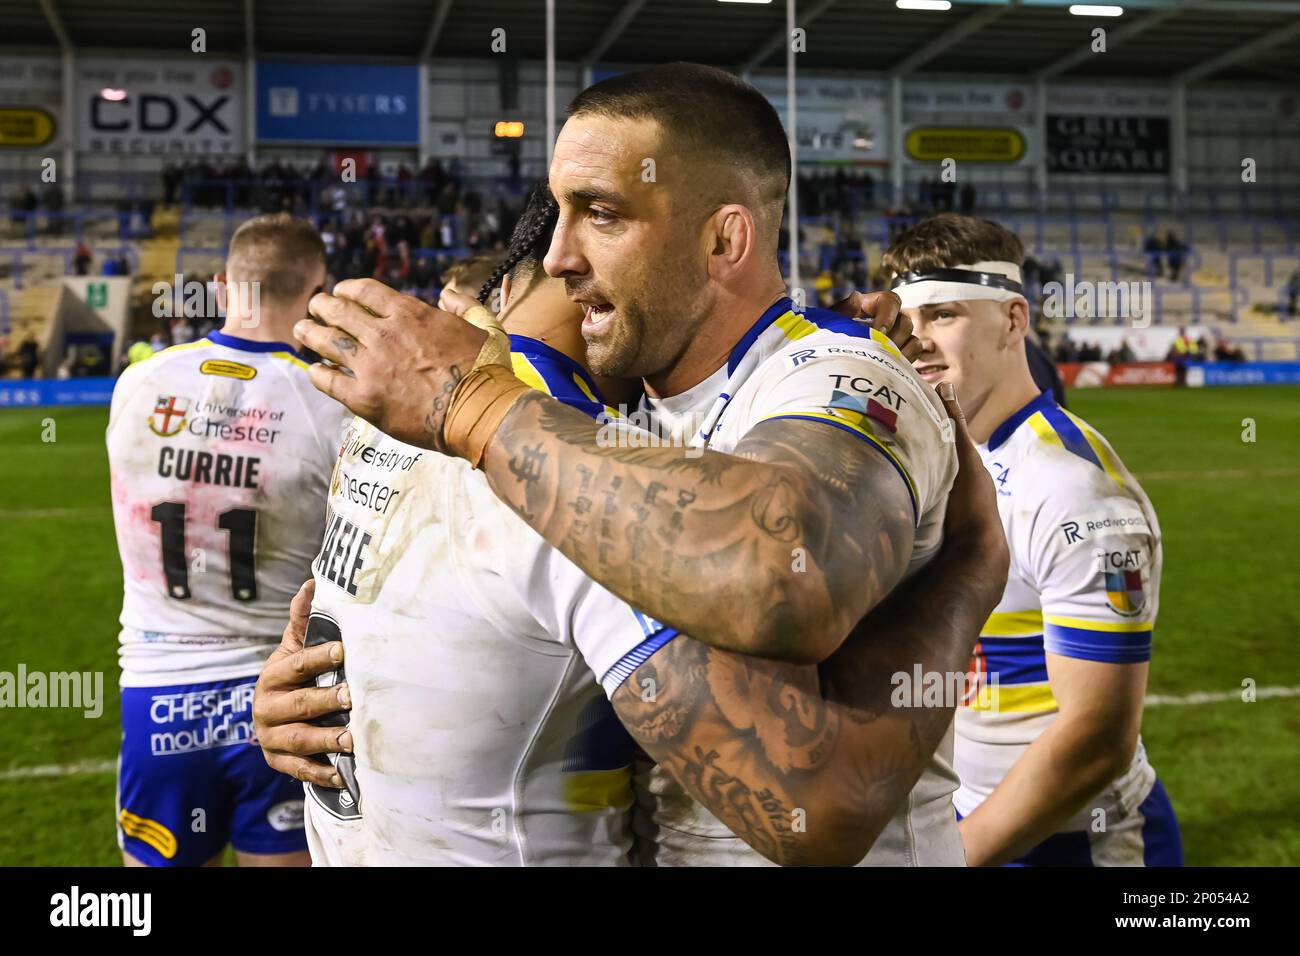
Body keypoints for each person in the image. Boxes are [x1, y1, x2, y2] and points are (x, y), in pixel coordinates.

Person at [288, 64, 991, 865]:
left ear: (725, 237)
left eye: (603, 215)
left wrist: (473, 407)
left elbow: (781, 575)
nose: (558, 258)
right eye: (559, 214)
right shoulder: (618, 414)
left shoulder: (836, 376)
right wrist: (337, 706)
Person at [884, 213, 1181, 867]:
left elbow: (1097, 738)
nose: (918, 343)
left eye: (944, 315)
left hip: (1078, 845)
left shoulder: (1075, 489)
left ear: (1014, 319)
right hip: (972, 821)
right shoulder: (938, 459)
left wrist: (955, 856)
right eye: (906, 324)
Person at [106, 213, 345, 867]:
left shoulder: (138, 384)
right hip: (281, 690)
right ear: (317, 294)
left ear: (222, 286)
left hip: (158, 690)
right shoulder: (329, 408)